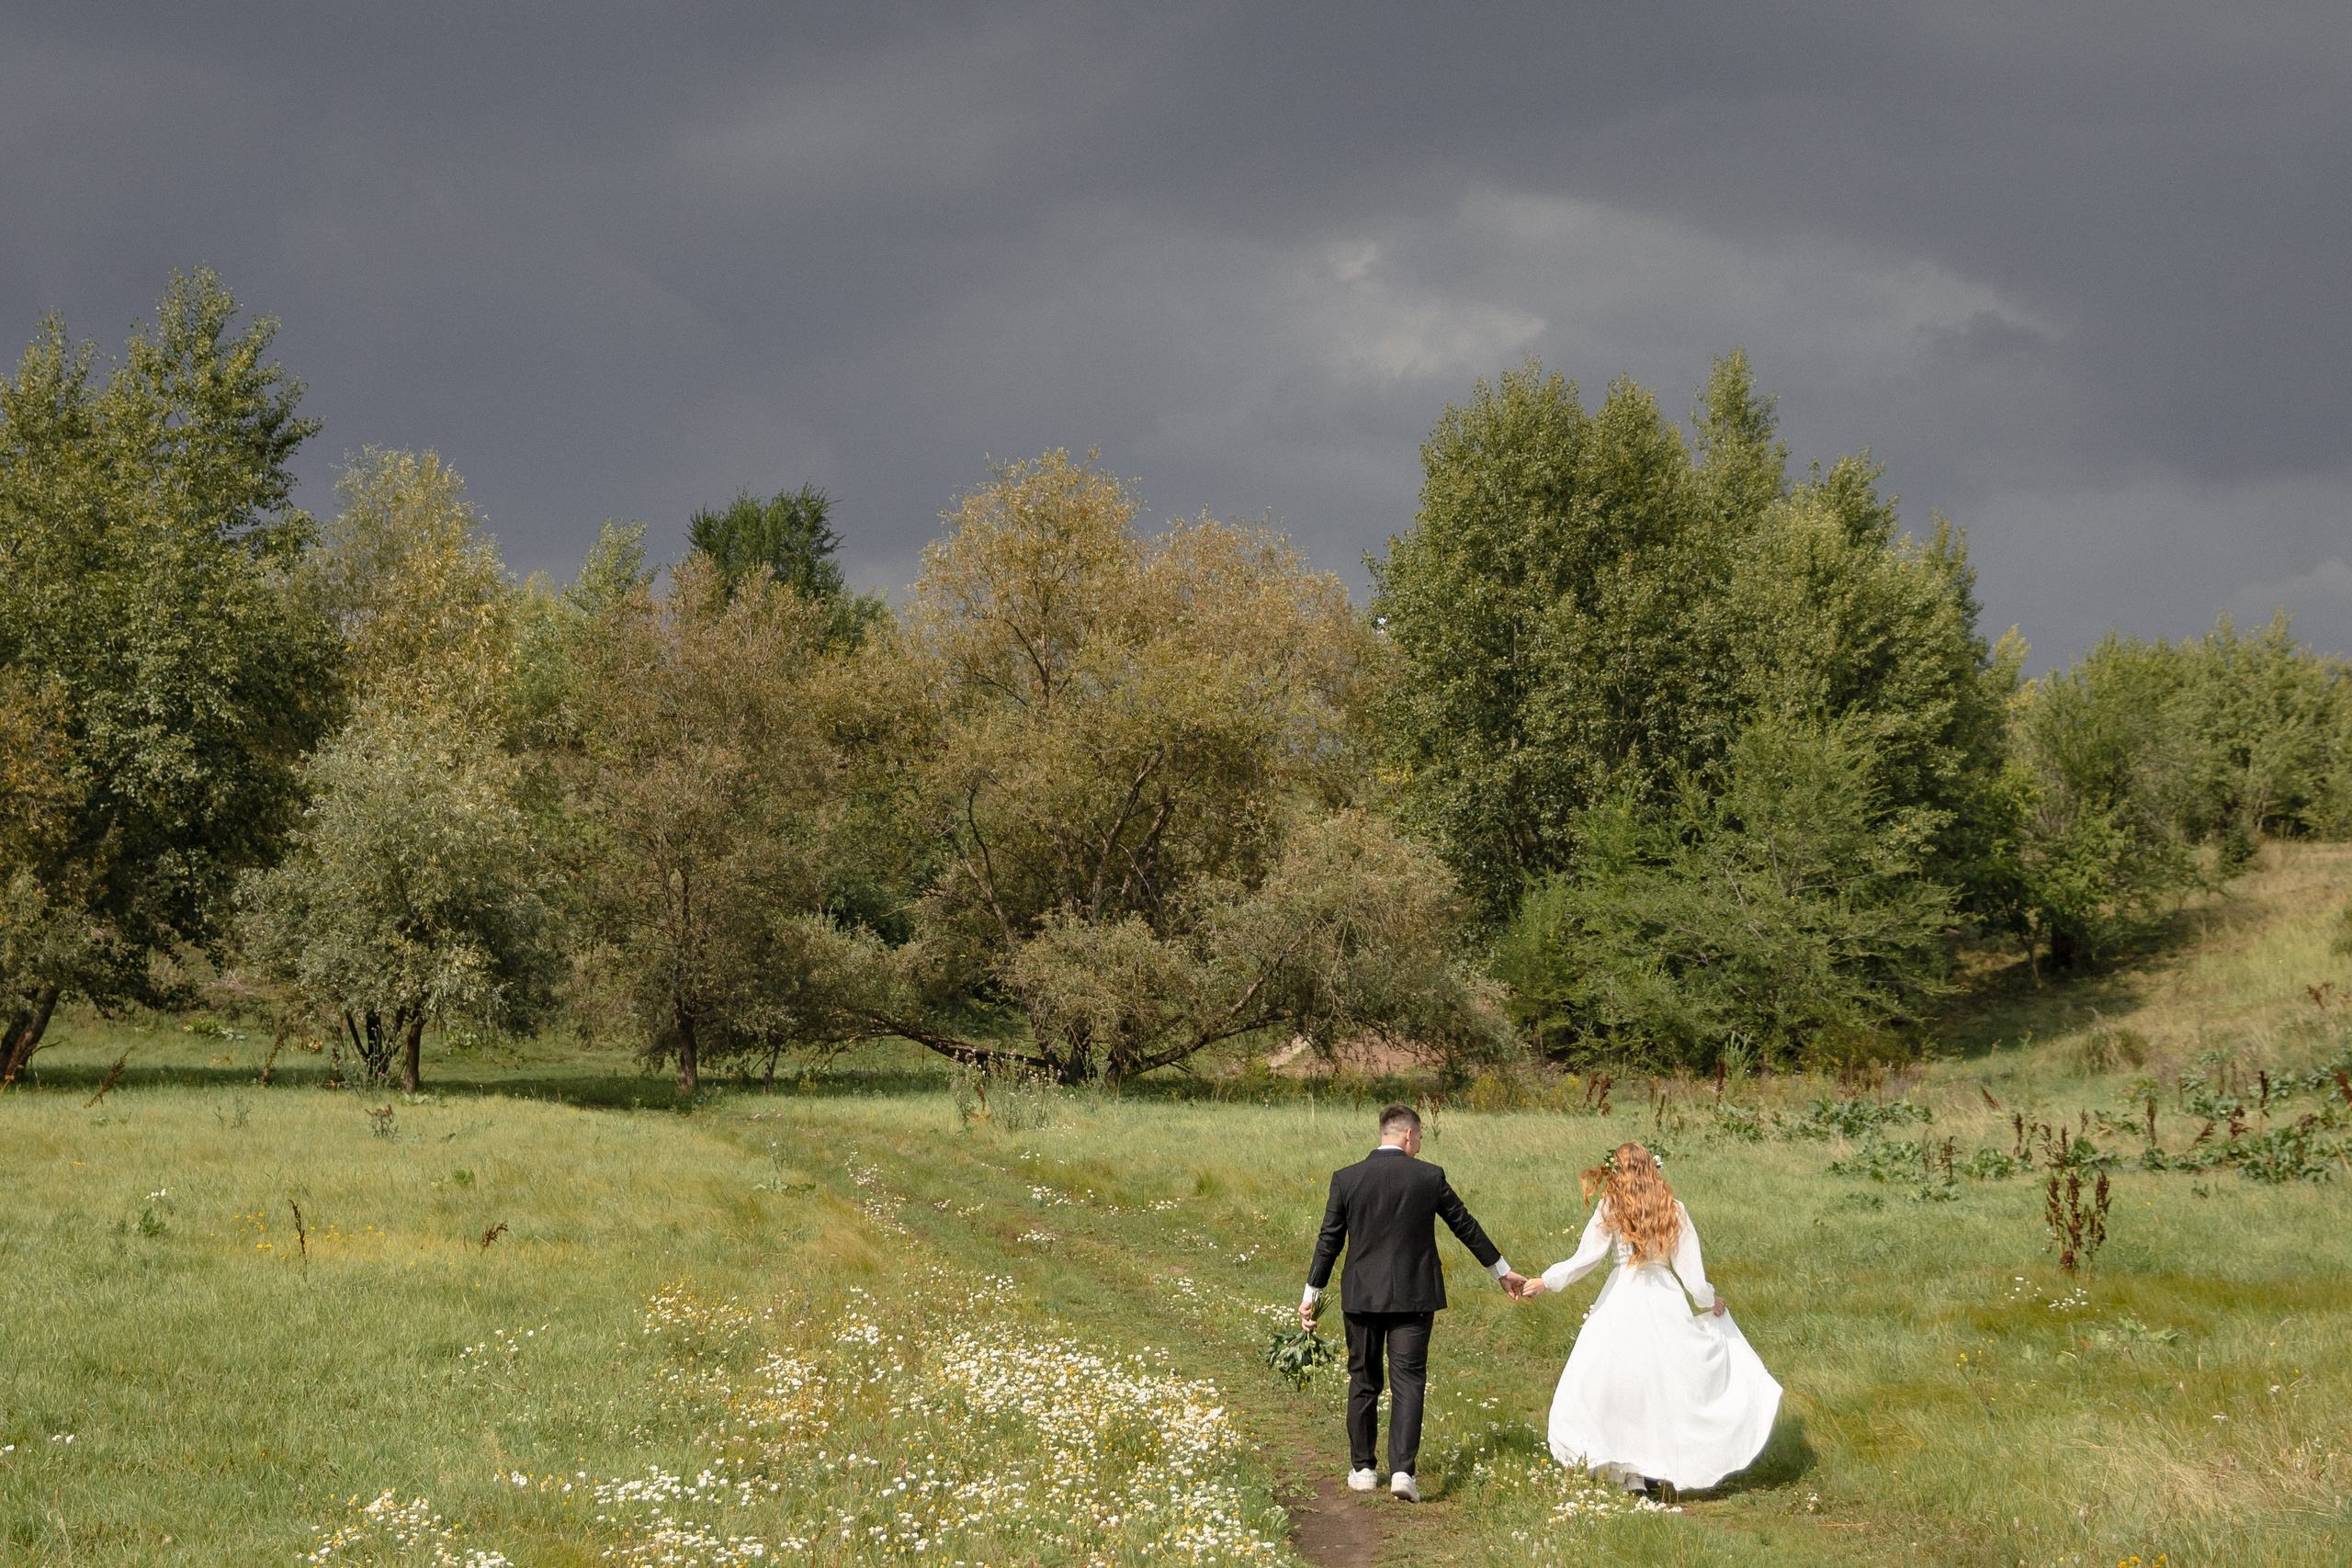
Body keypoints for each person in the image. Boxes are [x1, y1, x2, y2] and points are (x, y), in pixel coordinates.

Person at [1517, 1140, 1781, 1493]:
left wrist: (1545, 1281)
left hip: (1621, 1298)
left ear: (1621, 1171)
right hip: (1664, 1299)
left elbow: (1586, 1257)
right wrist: (1708, 1299)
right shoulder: (1673, 1209)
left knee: (1622, 1383)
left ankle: (1634, 1474)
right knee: (1663, 1383)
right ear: (1653, 1168)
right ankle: (1652, 1467)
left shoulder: (1612, 1207)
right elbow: (1691, 1272)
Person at [1301, 1103, 1527, 1502]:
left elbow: (1329, 1241)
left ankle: (1364, 1470)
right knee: (1408, 1383)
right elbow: (1465, 1225)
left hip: (1361, 1298)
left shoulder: (1347, 1178)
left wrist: (1311, 1295)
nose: (1420, 1143)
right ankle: (1403, 1473)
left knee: (1364, 1381)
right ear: (1408, 1135)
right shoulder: (1429, 1176)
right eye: (1420, 1136)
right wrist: (1501, 1271)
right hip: (1414, 1295)